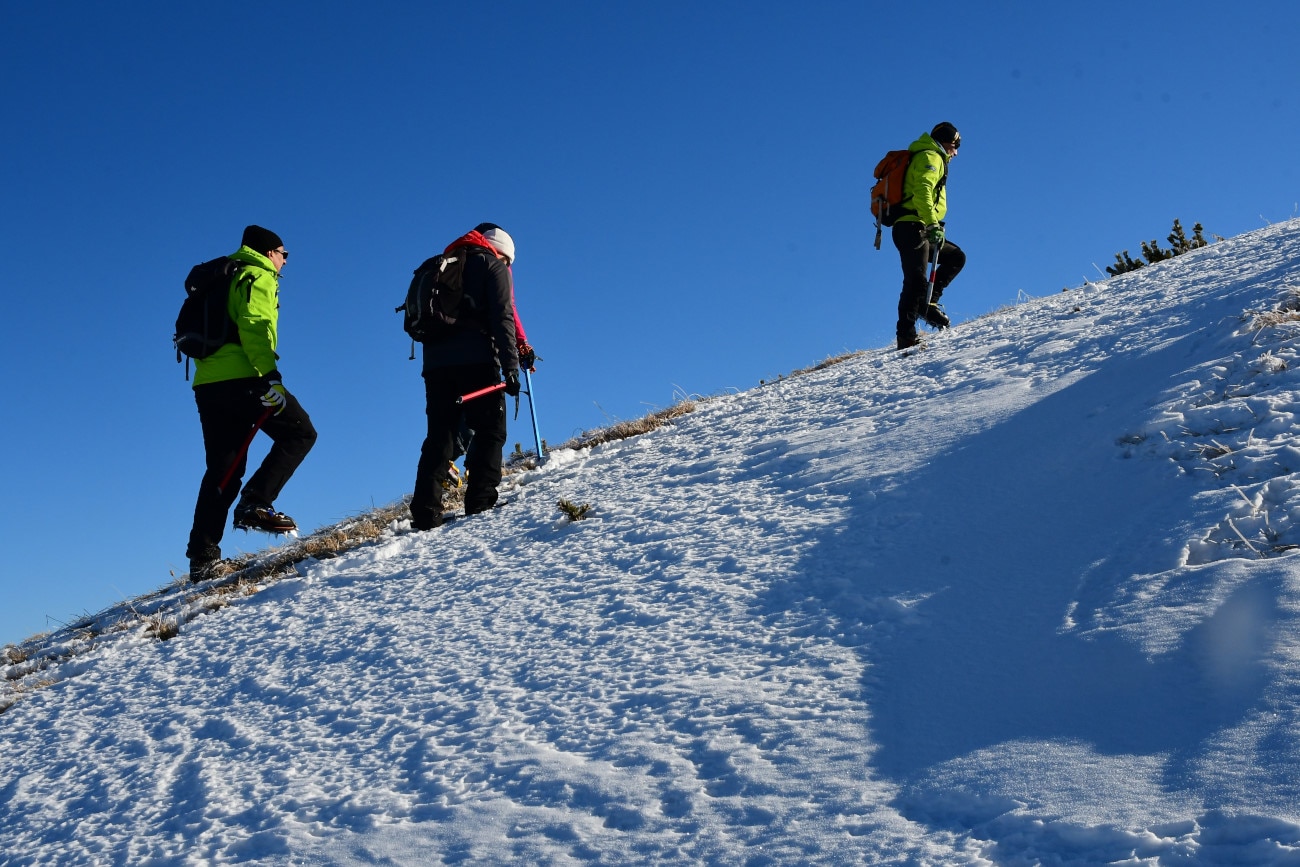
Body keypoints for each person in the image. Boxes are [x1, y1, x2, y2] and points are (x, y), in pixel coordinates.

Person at [185, 225, 318, 581]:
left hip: (208, 384)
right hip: (247, 377)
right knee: (300, 433)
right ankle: (256, 501)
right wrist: (269, 377)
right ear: (268, 252)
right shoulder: (255, 275)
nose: (285, 261)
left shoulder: (221, 274)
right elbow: (254, 327)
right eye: (284, 253)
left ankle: (203, 557)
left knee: (223, 469)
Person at [410, 225, 521, 531]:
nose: (508, 266)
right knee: (491, 429)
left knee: (440, 435)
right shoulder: (490, 265)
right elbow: (503, 316)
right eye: (508, 259)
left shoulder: (442, 262)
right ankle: (481, 500)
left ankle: (424, 513)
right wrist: (511, 368)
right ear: (498, 250)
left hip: (435, 366)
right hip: (476, 361)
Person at [892, 121, 967, 350]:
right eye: (955, 146)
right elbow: (922, 190)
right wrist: (932, 224)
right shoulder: (930, 156)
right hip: (913, 226)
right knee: (915, 280)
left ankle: (928, 303)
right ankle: (906, 337)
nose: (955, 153)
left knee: (956, 257)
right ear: (946, 142)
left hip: (920, 226)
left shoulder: (930, 155)